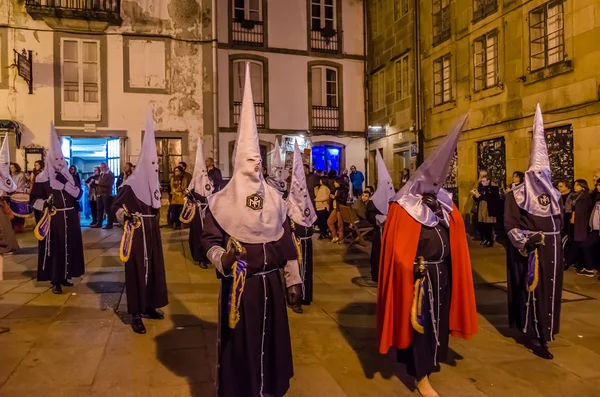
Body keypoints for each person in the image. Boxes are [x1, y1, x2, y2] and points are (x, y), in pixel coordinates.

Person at [201, 66, 301, 397]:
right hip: (241, 290)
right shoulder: (221, 202)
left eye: (258, 162)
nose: (256, 169)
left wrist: (293, 280)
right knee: (241, 349)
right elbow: (210, 242)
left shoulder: (273, 197)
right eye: (249, 162)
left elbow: (285, 240)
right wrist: (225, 258)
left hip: (271, 285)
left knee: (271, 345)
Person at [378, 115, 478, 397]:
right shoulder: (402, 205)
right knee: (419, 327)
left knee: (437, 325)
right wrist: (411, 267)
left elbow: (456, 233)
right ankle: (420, 377)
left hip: (442, 274)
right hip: (418, 278)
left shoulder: (443, 203)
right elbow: (397, 249)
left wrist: (444, 215)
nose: (438, 184)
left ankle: (430, 362)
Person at [504, 104, 564, 360]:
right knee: (534, 294)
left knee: (551, 293)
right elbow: (510, 225)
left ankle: (548, 331)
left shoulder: (555, 195)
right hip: (534, 255)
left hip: (554, 253)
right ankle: (535, 336)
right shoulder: (516, 196)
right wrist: (529, 240)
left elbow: (559, 223)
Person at [113, 110, 168, 334]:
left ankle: (149, 305)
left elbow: (155, 208)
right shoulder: (130, 186)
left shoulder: (153, 185)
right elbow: (114, 207)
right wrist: (125, 216)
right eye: (152, 164)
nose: (155, 168)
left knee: (153, 269)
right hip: (136, 235)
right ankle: (135, 313)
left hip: (152, 233)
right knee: (136, 271)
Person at [30, 123, 84, 294]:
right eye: (57, 160)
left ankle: (66, 276)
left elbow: (77, 194)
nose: (60, 163)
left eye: (62, 160)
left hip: (70, 219)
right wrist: (45, 204)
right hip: (54, 221)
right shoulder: (42, 179)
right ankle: (55, 280)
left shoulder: (69, 176)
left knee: (70, 247)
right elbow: (34, 200)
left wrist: (65, 182)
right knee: (56, 249)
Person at [286, 140, 317, 313]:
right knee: (295, 272)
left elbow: (311, 218)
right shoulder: (288, 204)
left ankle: (306, 296)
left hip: (307, 242)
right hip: (295, 244)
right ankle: (294, 299)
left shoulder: (306, 200)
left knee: (307, 271)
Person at [181, 139, 214, 269]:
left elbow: (211, 193)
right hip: (197, 215)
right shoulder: (192, 188)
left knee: (208, 235)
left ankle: (207, 257)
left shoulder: (208, 182)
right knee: (198, 235)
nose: (203, 175)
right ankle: (199, 257)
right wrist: (194, 199)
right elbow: (188, 196)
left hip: (207, 213)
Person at [367, 150, 395, 283]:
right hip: (380, 230)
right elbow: (369, 214)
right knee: (379, 253)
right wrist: (378, 218)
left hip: (391, 231)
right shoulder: (374, 200)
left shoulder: (393, 197)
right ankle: (378, 273)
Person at [566, 179, 593, 276]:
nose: (575, 186)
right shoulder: (574, 196)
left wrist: (575, 217)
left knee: (578, 243)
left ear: (583, 186)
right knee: (576, 243)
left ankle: (569, 263)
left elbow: (582, 211)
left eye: (577, 185)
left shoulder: (584, 197)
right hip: (574, 223)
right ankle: (578, 264)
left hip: (581, 223)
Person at [0, 133, 20, 256]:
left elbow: (12, 187)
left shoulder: (5, 176)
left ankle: (6, 246)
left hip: (2, 204)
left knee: (5, 226)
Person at [471, 176, 501, 247]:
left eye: (484, 181)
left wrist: (480, 196)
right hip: (482, 208)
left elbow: (491, 198)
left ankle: (490, 240)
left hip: (489, 209)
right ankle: (486, 239)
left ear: (488, 181)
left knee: (489, 226)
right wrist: (475, 195)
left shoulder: (493, 188)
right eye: (482, 181)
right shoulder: (482, 188)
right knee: (483, 225)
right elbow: (478, 199)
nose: (482, 182)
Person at [91, 162, 115, 229]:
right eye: (101, 167)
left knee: (107, 209)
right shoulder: (101, 174)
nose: (101, 169)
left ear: (106, 167)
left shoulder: (110, 174)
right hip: (99, 194)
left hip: (106, 194)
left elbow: (109, 184)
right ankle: (99, 223)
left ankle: (109, 224)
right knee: (99, 209)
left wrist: (99, 182)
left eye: (103, 167)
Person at [327, 177, 349, 243]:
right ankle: (334, 236)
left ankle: (341, 238)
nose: (334, 184)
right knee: (329, 221)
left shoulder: (344, 190)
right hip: (335, 208)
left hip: (340, 209)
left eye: (335, 182)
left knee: (340, 224)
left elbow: (343, 200)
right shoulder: (335, 190)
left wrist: (335, 197)